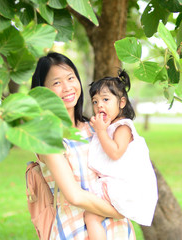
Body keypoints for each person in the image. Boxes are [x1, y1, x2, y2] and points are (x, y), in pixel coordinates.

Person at [31, 52, 136, 239]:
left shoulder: (95, 127)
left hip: (117, 230)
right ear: (42, 91)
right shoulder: (47, 137)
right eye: (56, 82)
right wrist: (118, 211)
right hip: (75, 229)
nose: (67, 87)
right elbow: (74, 196)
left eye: (71, 78)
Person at [84, 70, 158, 240]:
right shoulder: (109, 125)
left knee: (90, 216)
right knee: (93, 217)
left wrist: (101, 131)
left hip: (123, 189)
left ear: (122, 102)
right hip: (116, 187)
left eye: (105, 99)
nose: (99, 105)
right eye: (95, 101)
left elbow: (116, 152)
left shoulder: (123, 127)